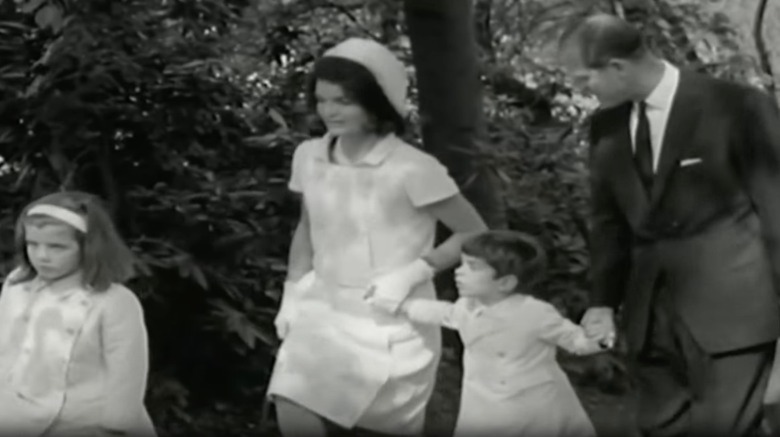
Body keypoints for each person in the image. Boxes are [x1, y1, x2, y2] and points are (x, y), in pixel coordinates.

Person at [559, 13, 780, 437]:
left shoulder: (738, 107)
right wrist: (602, 301)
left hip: (734, 315)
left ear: (617, 67)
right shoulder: (605, 127)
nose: (579, 90)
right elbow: (608, 222)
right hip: (648, 317)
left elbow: (777, 210)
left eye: (584, 79)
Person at [265, 37, 488, 436]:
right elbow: (307, 226)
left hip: (391, 321)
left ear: (377, 103)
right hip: (322, 310)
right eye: (322, 100)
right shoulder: (308, 156)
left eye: (343, 101)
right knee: (291, 401)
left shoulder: (413, 168)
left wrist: (415, 273)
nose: (329, 111)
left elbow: (474, 232)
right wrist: (292, 293)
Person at [369, 230, 604, 436]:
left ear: (505, 283)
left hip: (530, 401)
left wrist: (599, 338)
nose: (459, 273)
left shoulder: (535, 313)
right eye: (461, 264)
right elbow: (444, 313)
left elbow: (575, 341)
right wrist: (403, 306)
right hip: (483, 399)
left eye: (472, 267)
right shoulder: (468, 306)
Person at [0, 191, 156, 437]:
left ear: (88, 248)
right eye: (33, 244)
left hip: (83, 421)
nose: (42, 256)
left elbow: (126, 371)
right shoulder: (18, 285)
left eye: (57, 247)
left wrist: (118, 423)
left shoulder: (113, 302)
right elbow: (7, 344)